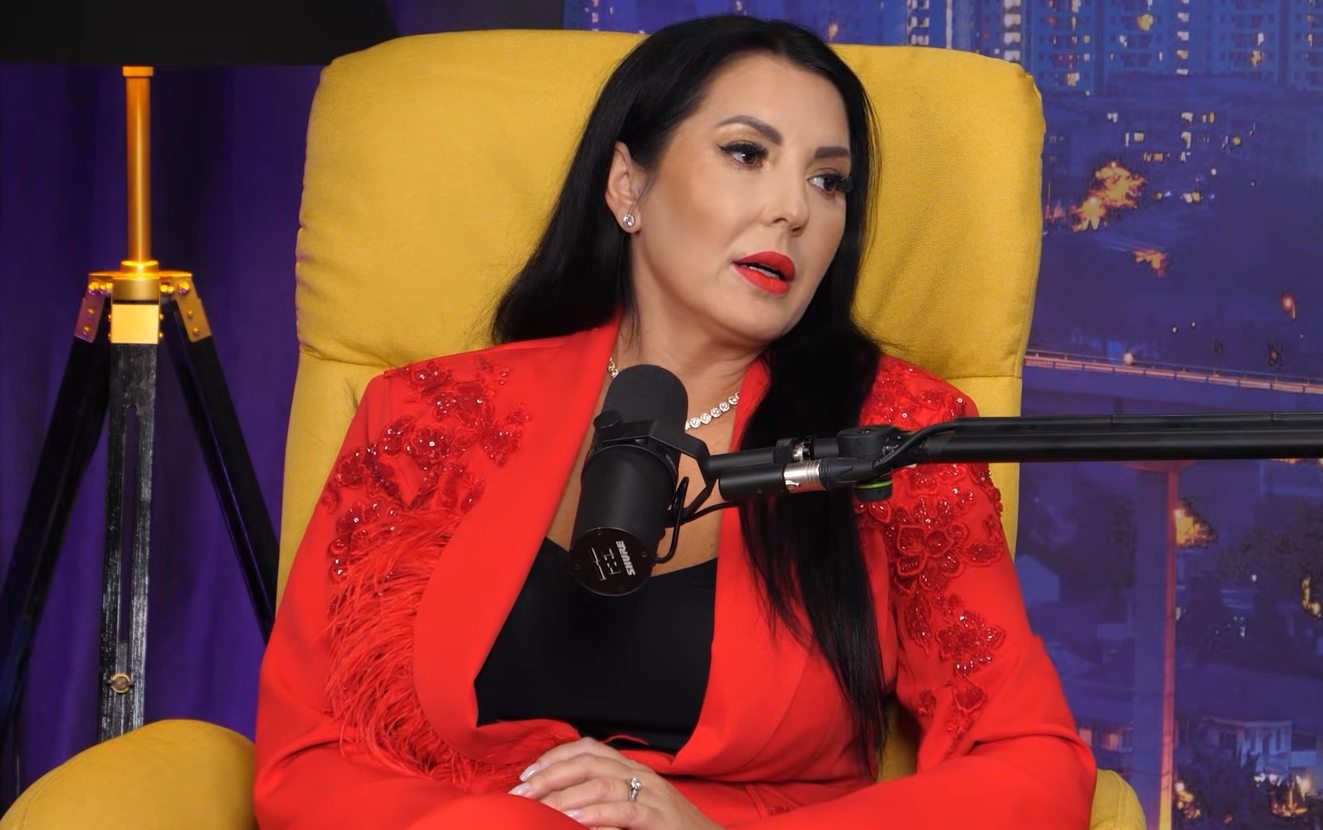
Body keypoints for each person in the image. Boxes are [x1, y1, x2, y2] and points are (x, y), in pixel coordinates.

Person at [254, 15, 1095, 830]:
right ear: (628, 184)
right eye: (746, 153)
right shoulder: (431, 414)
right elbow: (309, 757)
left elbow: (1030, 762)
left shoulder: (896, 437)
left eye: (827, 181)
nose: (793, 210)